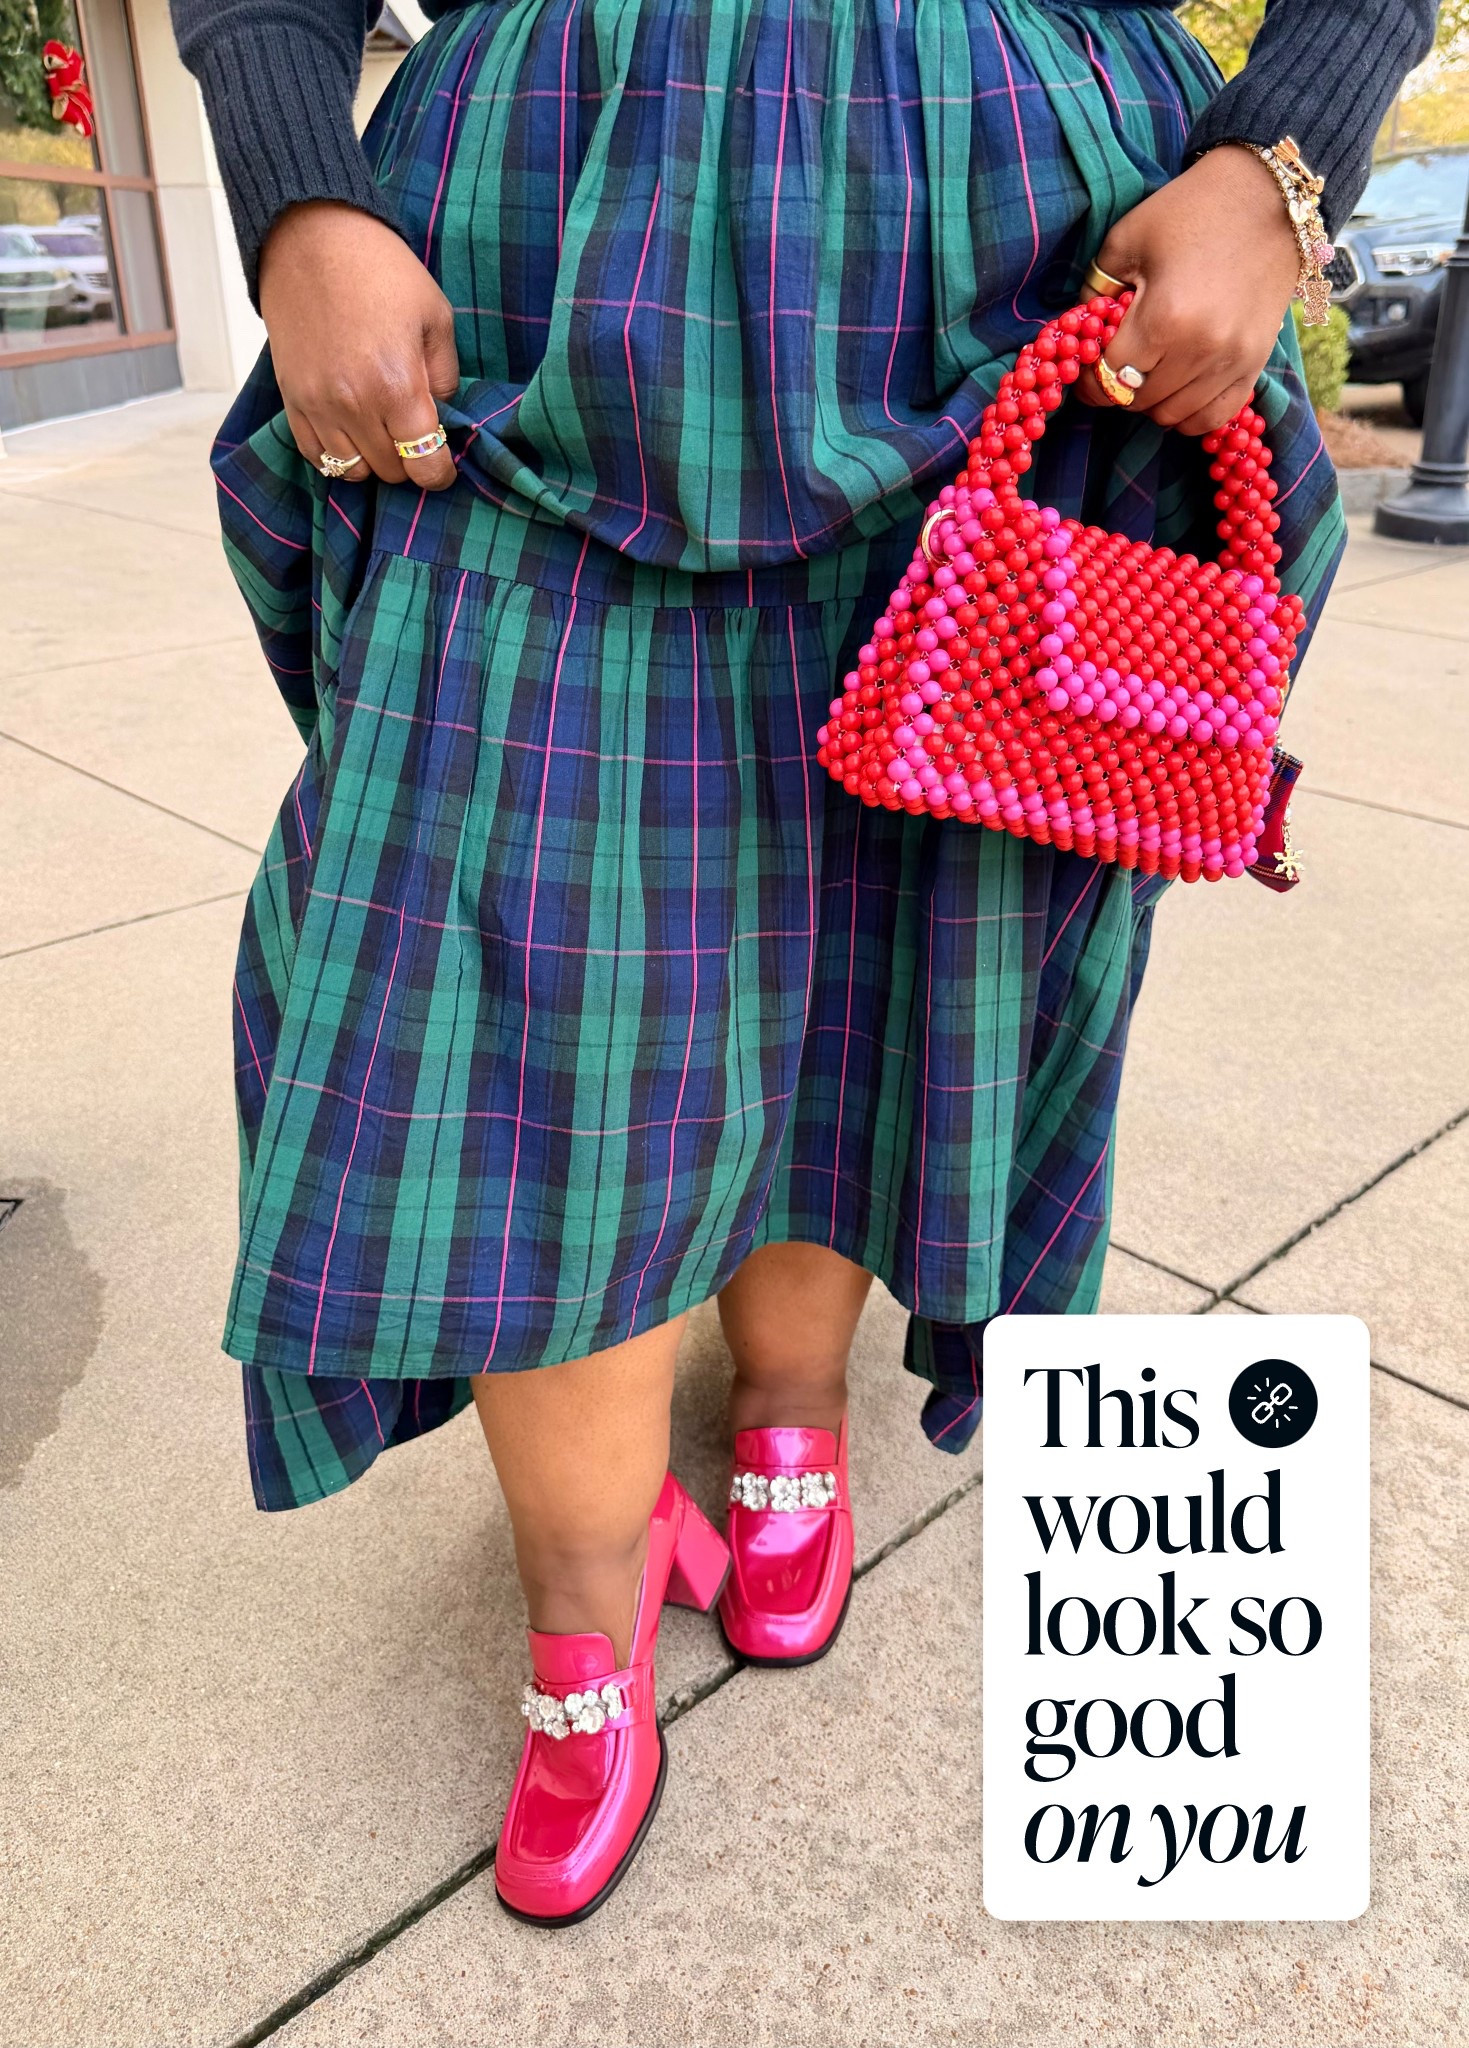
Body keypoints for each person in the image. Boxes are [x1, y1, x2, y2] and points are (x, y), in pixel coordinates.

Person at [171, 0, 1429, 1925]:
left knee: (885, 941)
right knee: (512, 991)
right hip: (544, 238)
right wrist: (290, 193)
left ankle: (787, 1422)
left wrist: (1284, 160)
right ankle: (585, 1624)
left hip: (1032, 249)